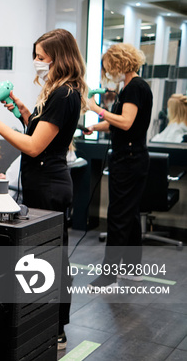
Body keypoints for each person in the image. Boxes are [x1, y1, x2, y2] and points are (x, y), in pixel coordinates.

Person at [0, 28, 87, 350]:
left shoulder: (63, 94)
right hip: (43, 182)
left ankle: (57, 327)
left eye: (41, 57)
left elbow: (36, 147)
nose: (37, 62)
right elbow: (41, 132)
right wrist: (21, 111)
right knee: (43, 256)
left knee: (51, 259)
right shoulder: (57, 92)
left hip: (50, 186)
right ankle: (42, 321)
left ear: (58, 58)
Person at [83, 43, 153, 287]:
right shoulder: (131, 87)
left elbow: (125, 122)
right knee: (130, 214)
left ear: (118, 63)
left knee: (118, 215)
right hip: (131, 157)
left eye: (108, 67)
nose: (108, 72)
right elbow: (120, 123)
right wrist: (94, 126)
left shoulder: (134, 88)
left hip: (130, 159)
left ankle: (109, 274)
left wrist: (98, 110)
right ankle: (133, 269)